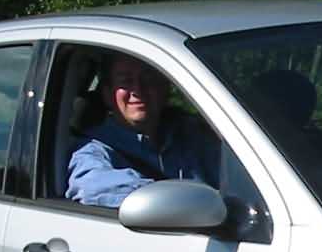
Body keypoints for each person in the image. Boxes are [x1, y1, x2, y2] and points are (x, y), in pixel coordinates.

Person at [66, 52, 214, 207]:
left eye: (148, 79)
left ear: (165, 87)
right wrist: (167, 199)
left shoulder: (193, 135)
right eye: (126, 81)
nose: (137, 90)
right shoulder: (95, 149)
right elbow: (90, 188)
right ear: (108, 94)